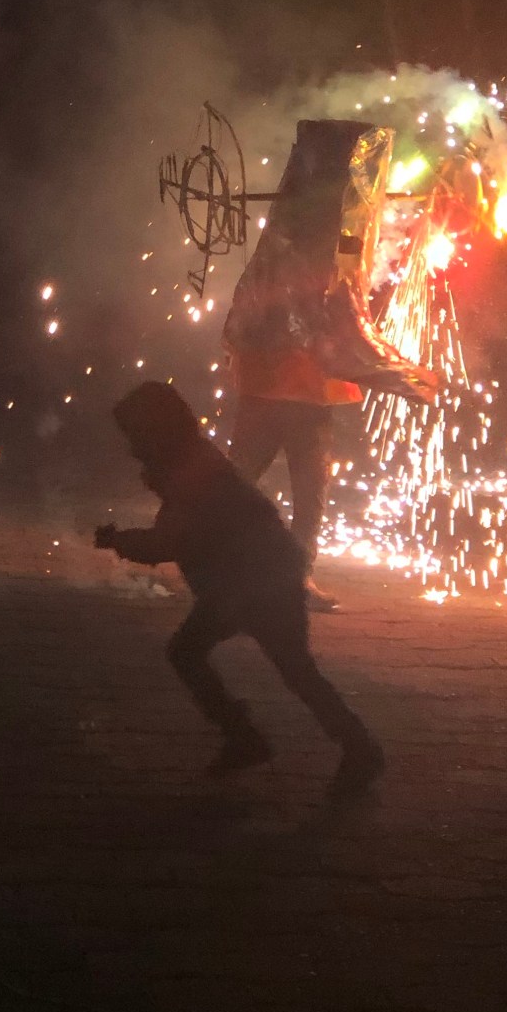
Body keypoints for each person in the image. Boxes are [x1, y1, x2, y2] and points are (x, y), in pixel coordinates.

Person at [96, 381, 383, 798]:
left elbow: (169, 541)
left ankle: (291, 742)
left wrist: (118, 541)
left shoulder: (189, 472)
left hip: (255, 580)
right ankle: (338, 746)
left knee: (202, 655)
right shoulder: (192, 459)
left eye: (134, 436)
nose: (130, 447)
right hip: (259, 574)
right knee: (293, 671)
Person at [225, 342, 360, 612]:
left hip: (305, 395)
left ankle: (295, 582)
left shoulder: (327, 298)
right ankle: (226, 576)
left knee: (309, 494)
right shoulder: (262, 298)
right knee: (234, 488)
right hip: (266, 392)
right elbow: (238, 328)